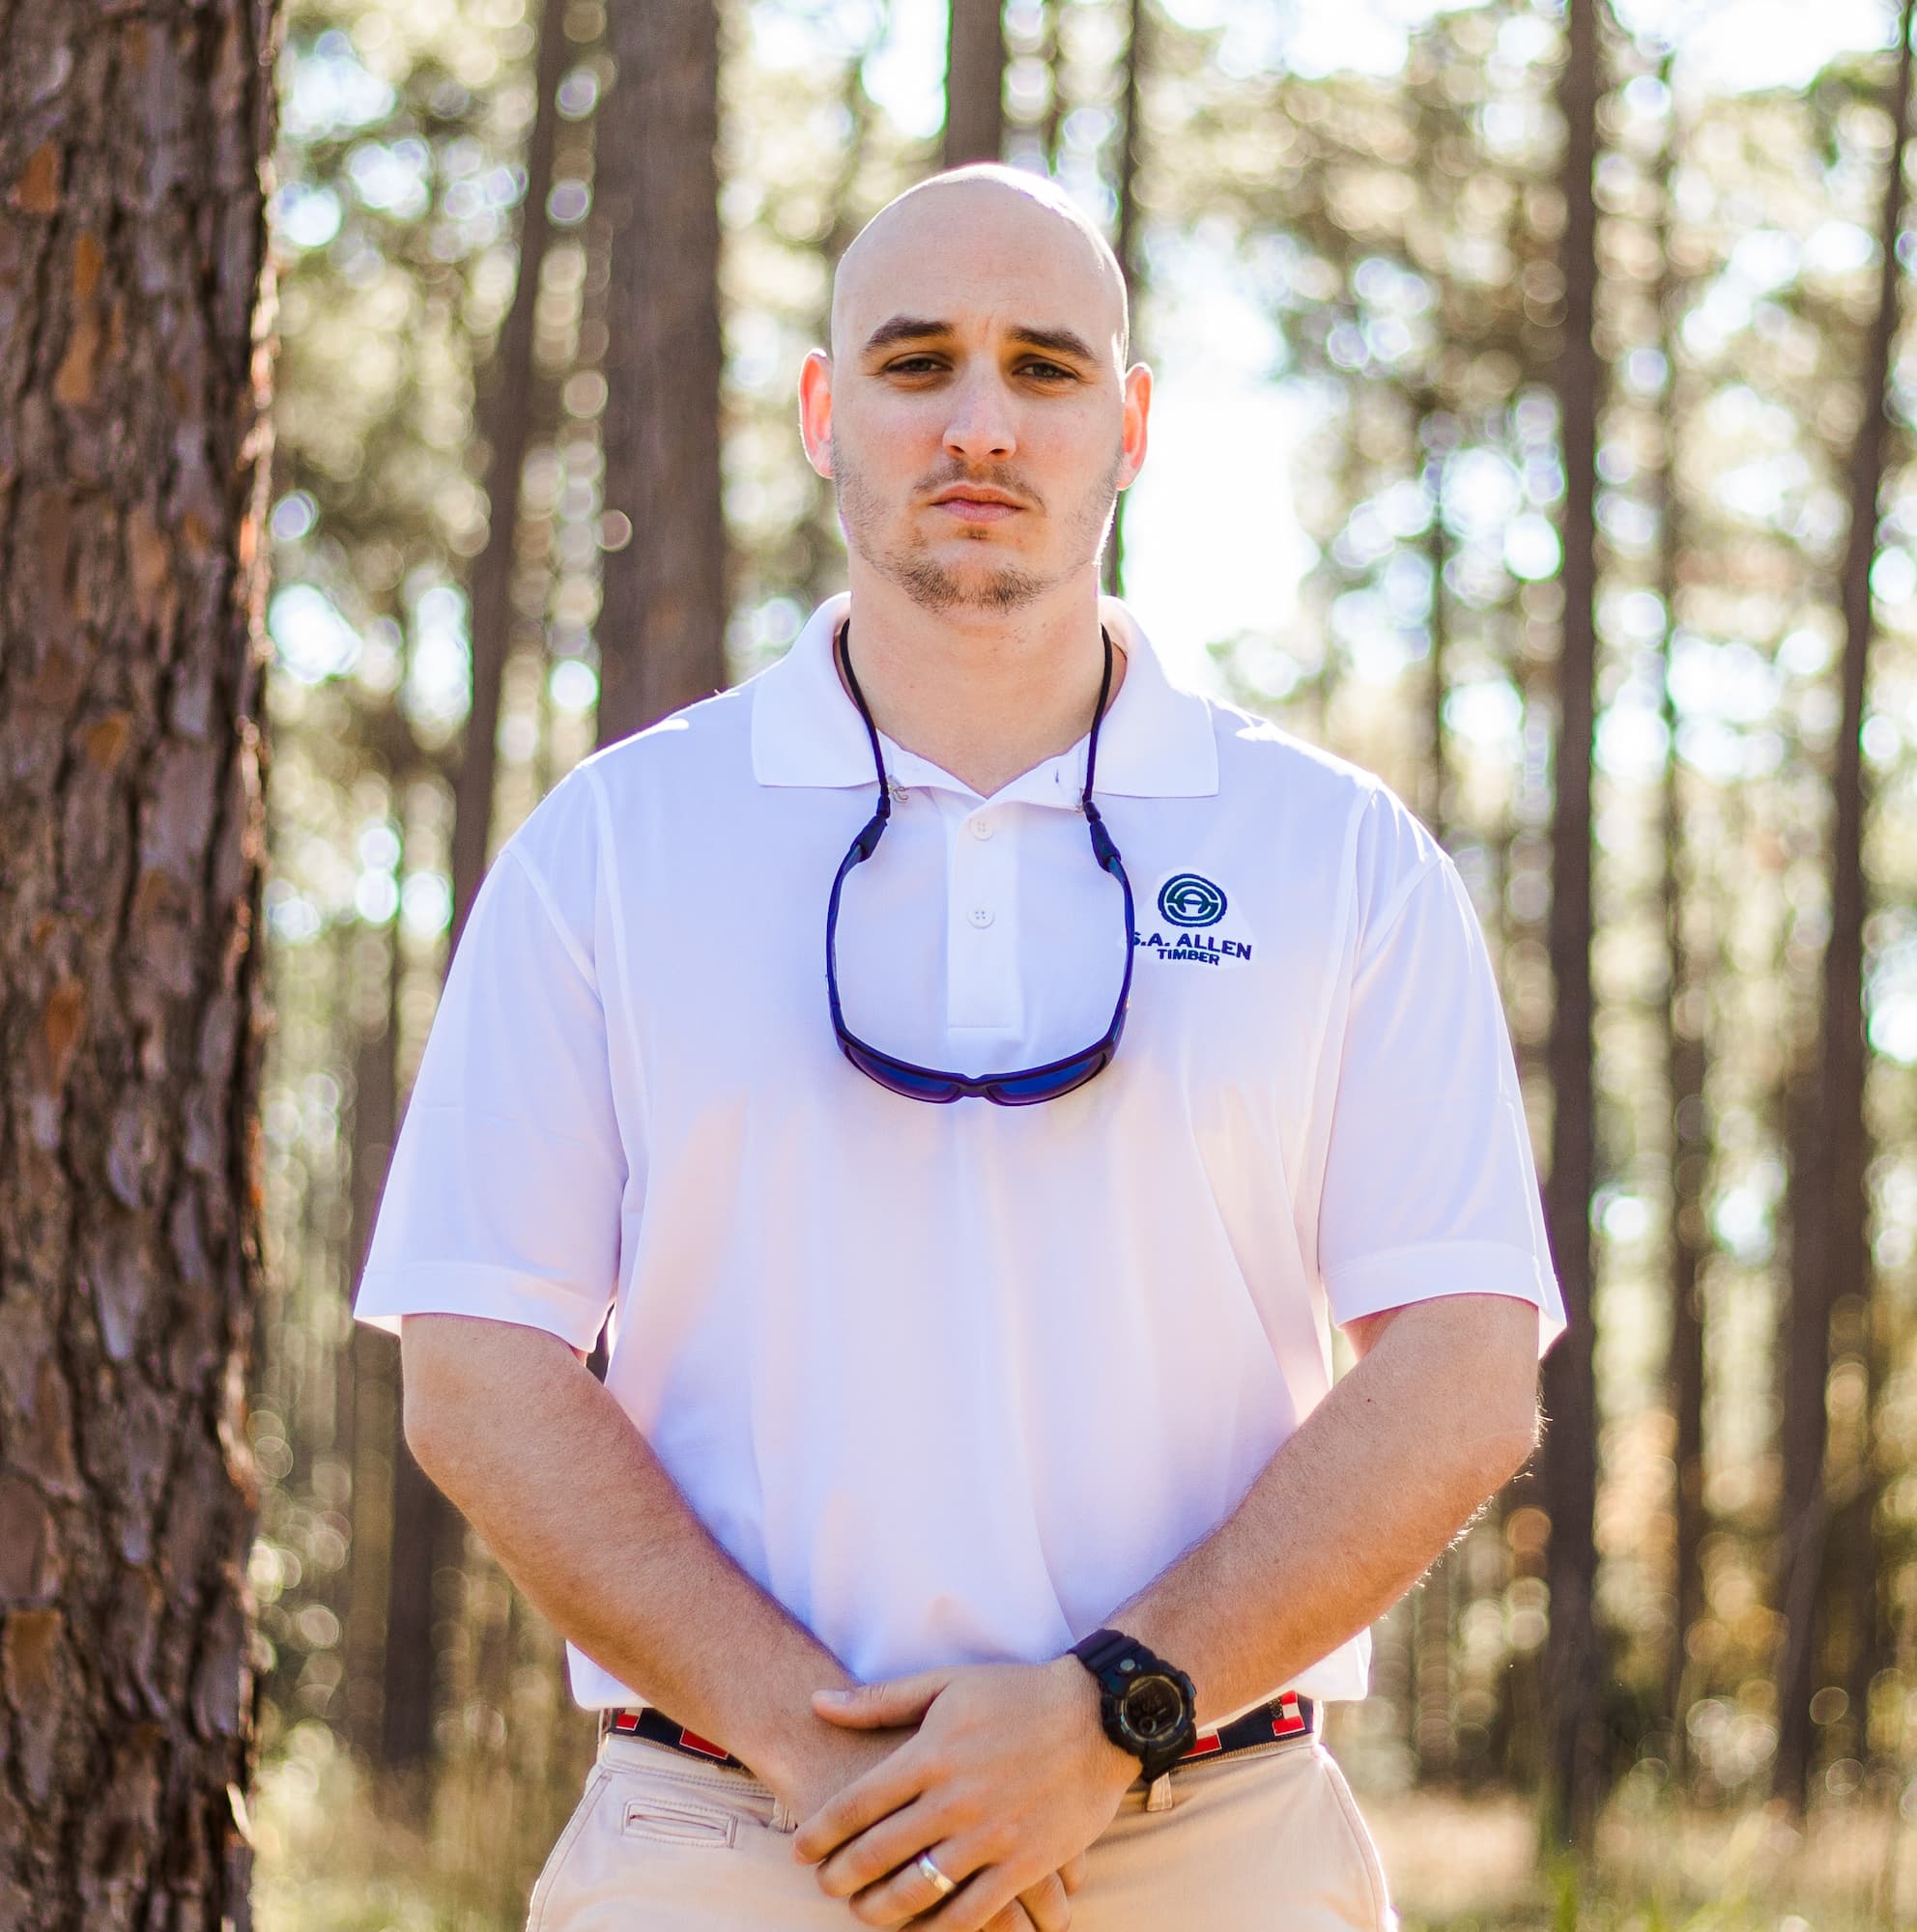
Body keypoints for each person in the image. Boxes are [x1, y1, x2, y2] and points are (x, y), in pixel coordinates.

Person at [352, 161, 1565, 1932]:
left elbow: (1463, 1368)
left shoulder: (1334, 851)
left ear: (1131, 424)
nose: (981, 420)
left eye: (1046, 367)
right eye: (918, 364)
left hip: (1211, 1838)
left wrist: (1109, 1717)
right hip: (731, 1841)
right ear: (825, 412)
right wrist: (826, 1759)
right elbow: (474, 1364)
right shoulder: (615, 844)